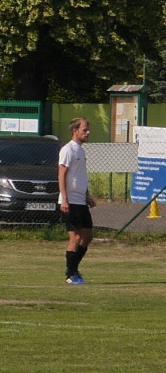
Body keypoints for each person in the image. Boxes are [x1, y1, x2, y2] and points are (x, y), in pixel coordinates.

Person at [58, 117, 97, 285]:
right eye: (84, 130)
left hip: (80, 200)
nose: (88, 133)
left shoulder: (81, 150)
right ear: (75, 131)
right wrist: (64, 199)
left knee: (87, 236)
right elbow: (62, 174)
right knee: (75, 236)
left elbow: (79, 176)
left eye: (87, 130)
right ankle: (70, 273)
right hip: (70, 200)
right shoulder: (68, 150)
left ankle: (74, 269)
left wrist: (86, 196)